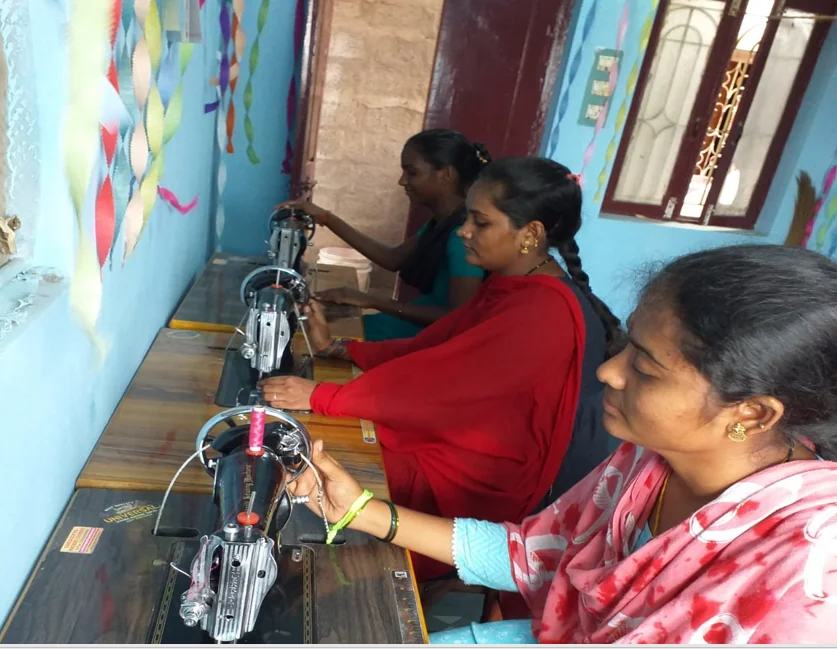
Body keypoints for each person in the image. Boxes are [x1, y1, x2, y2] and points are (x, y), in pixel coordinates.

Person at [285, 244, 837, 644]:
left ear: (752, 414)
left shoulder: (807, 577)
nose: (609, 373)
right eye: (627, 348)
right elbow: (533, 555)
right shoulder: (649, 461)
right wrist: (359, 509)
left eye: (644, 367)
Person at [263, 157, 623, 580]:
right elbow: (436, 346)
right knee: (326, 446)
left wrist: (325, 396)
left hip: (485, 474)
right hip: (462, 440)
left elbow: (446, 386)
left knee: (318, 459)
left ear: (531, 234)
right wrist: (343, 350)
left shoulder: (545, 310)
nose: (463, 231)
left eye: (480, 222)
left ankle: (343, 582)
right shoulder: (515, 286)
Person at [277, 129, 488, 341]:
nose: (402, 181)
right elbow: (393, 259)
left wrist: (372, 301)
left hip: (419, 340)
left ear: (446, 175)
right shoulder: (440, 223)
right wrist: (325, 218)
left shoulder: (461, 237)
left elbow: (457, 317)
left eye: (412, 172)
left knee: (305, 335)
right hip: (406, 326)